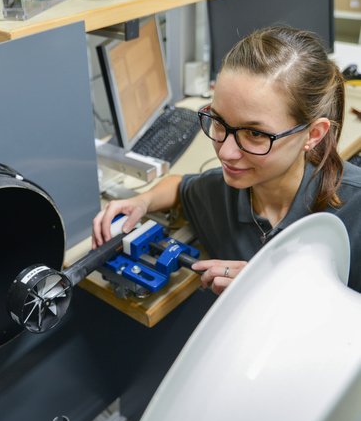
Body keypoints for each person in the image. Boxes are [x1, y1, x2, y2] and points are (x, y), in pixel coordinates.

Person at [92, 26, 361, 295]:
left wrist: (276, 293)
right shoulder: (226, 192)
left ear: (312, 135)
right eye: (218, 122)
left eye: (255, 133)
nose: (225, 153)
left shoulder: (355, 210)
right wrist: (142, 201)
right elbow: (181, 187)